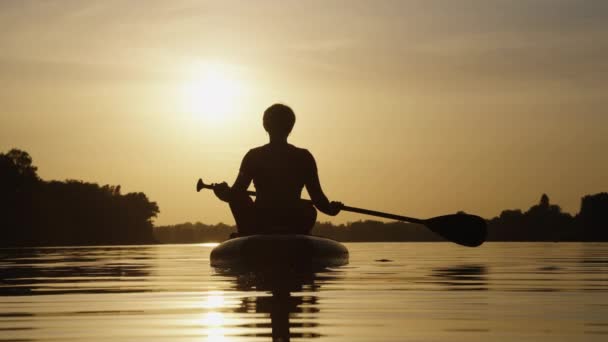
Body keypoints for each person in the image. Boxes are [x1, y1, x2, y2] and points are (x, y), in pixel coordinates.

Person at [214, 103, 342, 236]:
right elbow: (318, 199)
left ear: (265, 126)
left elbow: (235, 194)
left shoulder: (254, 155)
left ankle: (247, 234)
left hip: (260, 220)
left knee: (241, 198)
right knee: (308, 210)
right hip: (291, 219)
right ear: (291, 127)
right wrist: (330, 209)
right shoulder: (304, 157)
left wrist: (223, 194)